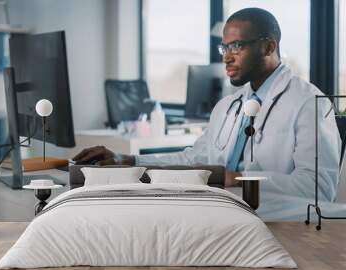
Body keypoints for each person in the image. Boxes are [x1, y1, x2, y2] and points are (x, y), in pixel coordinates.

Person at [73, 8, 341, 203]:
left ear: (269, 47)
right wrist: (129, 160)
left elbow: (319, 188)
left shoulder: (308, 103)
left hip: (274, 221)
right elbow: (193, 159)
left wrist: (236, 179)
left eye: (237, 46)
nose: (227, 58)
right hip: (218, 206)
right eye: (224, 48)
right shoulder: (228, 106)